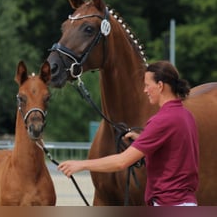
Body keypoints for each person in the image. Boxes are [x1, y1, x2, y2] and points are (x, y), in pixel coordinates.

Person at [58, 60, 199, 206]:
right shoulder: (186, 115)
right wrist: (142, 139)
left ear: (160, 85)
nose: (145, 90)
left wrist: (81, 165)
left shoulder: (161, 120)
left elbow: (121, 162)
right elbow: (174, 147)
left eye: (147, 85)